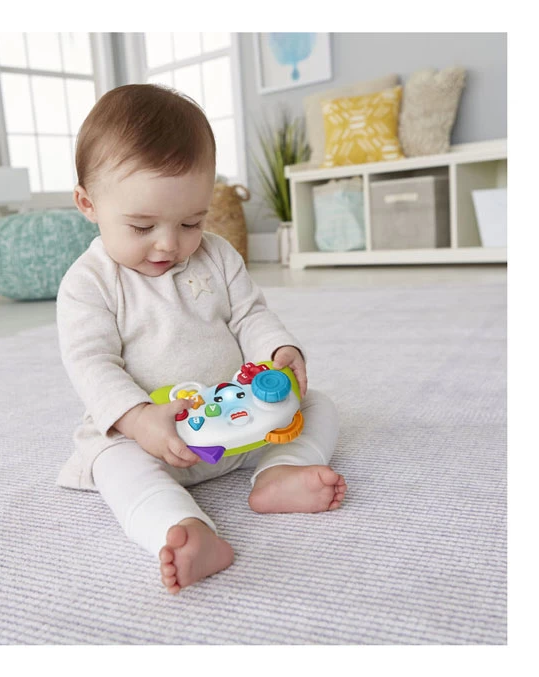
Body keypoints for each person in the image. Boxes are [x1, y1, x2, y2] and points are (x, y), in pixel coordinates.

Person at [56, 84, 346, 594]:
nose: (169, 244)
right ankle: (184, 529)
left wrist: (279, 352)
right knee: (111, 461)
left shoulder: (217, 256)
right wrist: (138, 419)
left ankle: (280, 472)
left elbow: (250, 315)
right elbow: (90, 364)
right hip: (154, 440)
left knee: (317, 405)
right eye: (142, 226)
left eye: (191, 221)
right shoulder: (89, 283)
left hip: (241, 422)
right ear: (88, 203)